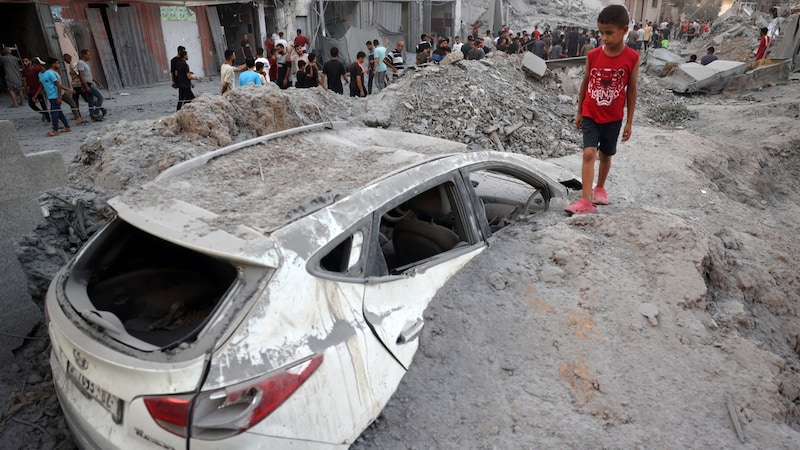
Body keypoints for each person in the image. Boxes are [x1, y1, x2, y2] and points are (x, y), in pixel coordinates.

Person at [566, 4, 639, 215]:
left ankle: (600, 186)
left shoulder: (632, 58)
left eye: (609, 32)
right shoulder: (593, 55)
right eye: (601, 32)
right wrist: (580, 111)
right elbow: (585, 83)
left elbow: (632, 91)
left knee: (606, 155)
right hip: (591, 111)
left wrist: (629, 122)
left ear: (624, 30)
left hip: (613, 116)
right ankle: (585, 200)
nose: (604, 38)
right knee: (589, 153)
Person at [35, 57, 73, 136]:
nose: (34, 68)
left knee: (54, 113)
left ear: (39, 65)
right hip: (50, 96)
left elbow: (58, 85)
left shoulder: (49, 74)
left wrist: (59, 97)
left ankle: (55, 130)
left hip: (54, 96)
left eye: (35, 66)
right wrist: (36, 95)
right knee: (59, 113)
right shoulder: (40, 75)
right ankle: (67, 126)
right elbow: (41, 85)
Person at [77, 49, 105, 121]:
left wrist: (97, 82)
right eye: (89, 55)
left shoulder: (85, 63)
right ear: (84, 55)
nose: (90, 56)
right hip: (88, 84)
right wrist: (85, 85)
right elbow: (81, 75)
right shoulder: (80, 63)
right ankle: (96, 113)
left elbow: (89, 76)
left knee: (91, 100)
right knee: (100, 98)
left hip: (90, 83)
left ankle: (92, 114)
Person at [63, 54, 85, 124]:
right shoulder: (71, 65)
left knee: (76, 100)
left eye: (66, 58)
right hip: (76, 84)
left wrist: (82, 85)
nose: (65, 60)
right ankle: (77, 115)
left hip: (78, 85)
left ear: (70, 58)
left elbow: (79, 74)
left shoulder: (73, 65)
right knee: (76, 100)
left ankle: (77, 115)